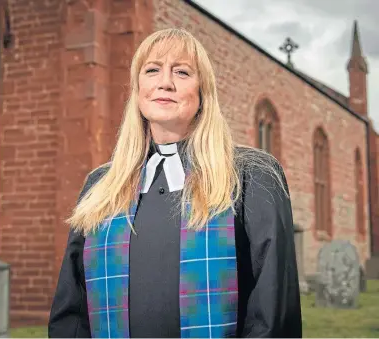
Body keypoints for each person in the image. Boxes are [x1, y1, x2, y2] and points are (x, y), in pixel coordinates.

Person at [48, 28, 302, 338]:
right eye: (152, 70)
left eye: (181, 72)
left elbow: (273, 313)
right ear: (139, 88)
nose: (164, 82)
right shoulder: (100, 185)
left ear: (202, 92)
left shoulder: (252, 175)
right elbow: (71, 314)